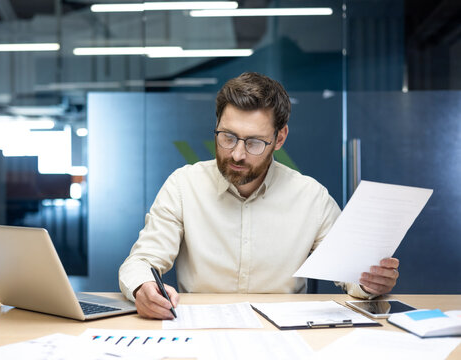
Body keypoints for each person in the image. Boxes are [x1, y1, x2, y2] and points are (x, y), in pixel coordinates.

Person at [119, 72, 400, 319]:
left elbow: (351, 274)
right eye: (227, 137)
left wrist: (369, 282)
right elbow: (141, 261)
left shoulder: (311, 197)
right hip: (204, 331)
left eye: (254, 142)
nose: (237, 154)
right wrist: (144, 288)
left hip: (284, 336)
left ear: (280, 138)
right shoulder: (183, 185)